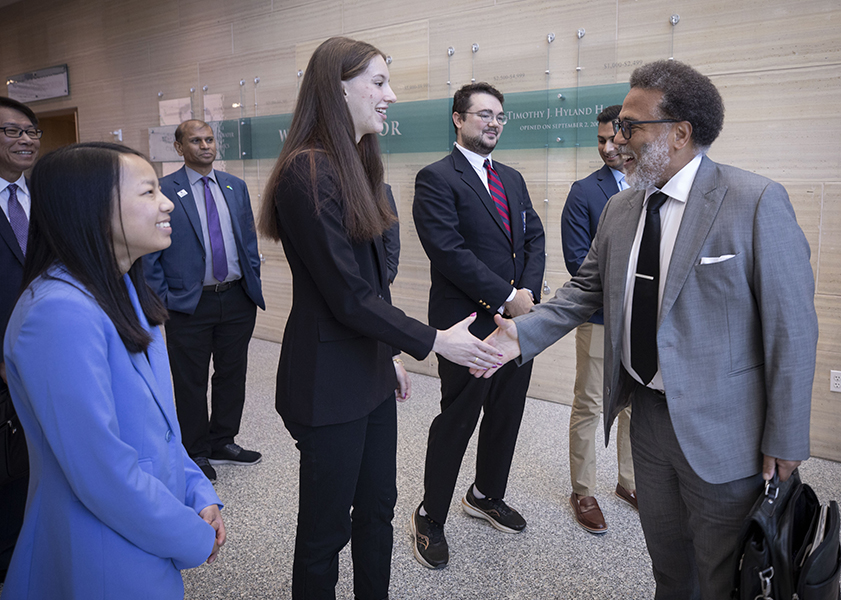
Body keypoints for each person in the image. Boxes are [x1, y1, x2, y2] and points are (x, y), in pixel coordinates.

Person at [473, 59, 818, 599]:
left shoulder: (754, 202)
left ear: (680, 133)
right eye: (617, 128)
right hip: (649, 421)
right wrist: (523, 332)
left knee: (723, 577)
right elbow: (585, 290)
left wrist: (788, 436)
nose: (616, 139)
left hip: (726, 433)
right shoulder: (619, 208)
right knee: (669, 568)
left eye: (631, 126)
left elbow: (791, 330)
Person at [256, 37, 501, 600]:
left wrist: (388, 353)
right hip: (326, 381)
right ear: (336, 88)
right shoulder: (307, 172)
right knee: (323, 535)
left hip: (364, 371)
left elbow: (371, 287)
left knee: (377, 513)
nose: (390, 96)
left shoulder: (355, 167)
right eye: (378, 82)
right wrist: (435, 340)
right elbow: (345, 296)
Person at [2, 142, 225, 599]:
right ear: (91, 208)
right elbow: (102, 473)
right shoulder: (59, 312)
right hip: (99, 553)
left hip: (141, 533)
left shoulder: (124, 292)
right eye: (148, 192)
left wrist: (199, 495)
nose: (166, 204)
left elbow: (159, 430)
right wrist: (190, 535)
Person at [410, 82, 546, 569]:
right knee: (459, 419)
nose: (494, 123)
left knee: (506, 414)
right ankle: (430, 514)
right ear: (458, 119)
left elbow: (534, 236)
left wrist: (527, 298)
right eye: (484, 114)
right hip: (467, 326)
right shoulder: (435, 179)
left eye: (500, 116)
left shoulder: (511, 177)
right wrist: (509, 298)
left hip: (515, 327)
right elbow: (448, 252)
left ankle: (485, 494)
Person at [143, 119, 265, 481]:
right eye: (195, 140)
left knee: (232, 374)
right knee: (190, 380)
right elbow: (149, 254)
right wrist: (163, 299)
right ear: (180, 148)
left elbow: (247, 242)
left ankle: (223, 440)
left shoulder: (235, 186)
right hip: (188, 303)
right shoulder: (163, 190)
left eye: (209, 139)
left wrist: (252, 279)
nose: (205, 145)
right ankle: (195, 452)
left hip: (237, 299)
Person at [561, 104, 636, 534]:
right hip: (599, 317)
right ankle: (583, 490)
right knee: (590, 403)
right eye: (600, 141)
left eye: (614, 139)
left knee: (634, 406)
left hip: (641, 323)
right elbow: (578, 262)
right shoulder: (584, 192)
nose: (608, 148)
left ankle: (629, 483)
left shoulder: (651, 186)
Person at [0, 96, 39, 582]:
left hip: (47, 353)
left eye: (31, 132)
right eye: (11, 131)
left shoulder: (46, 198)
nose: (25, 139)